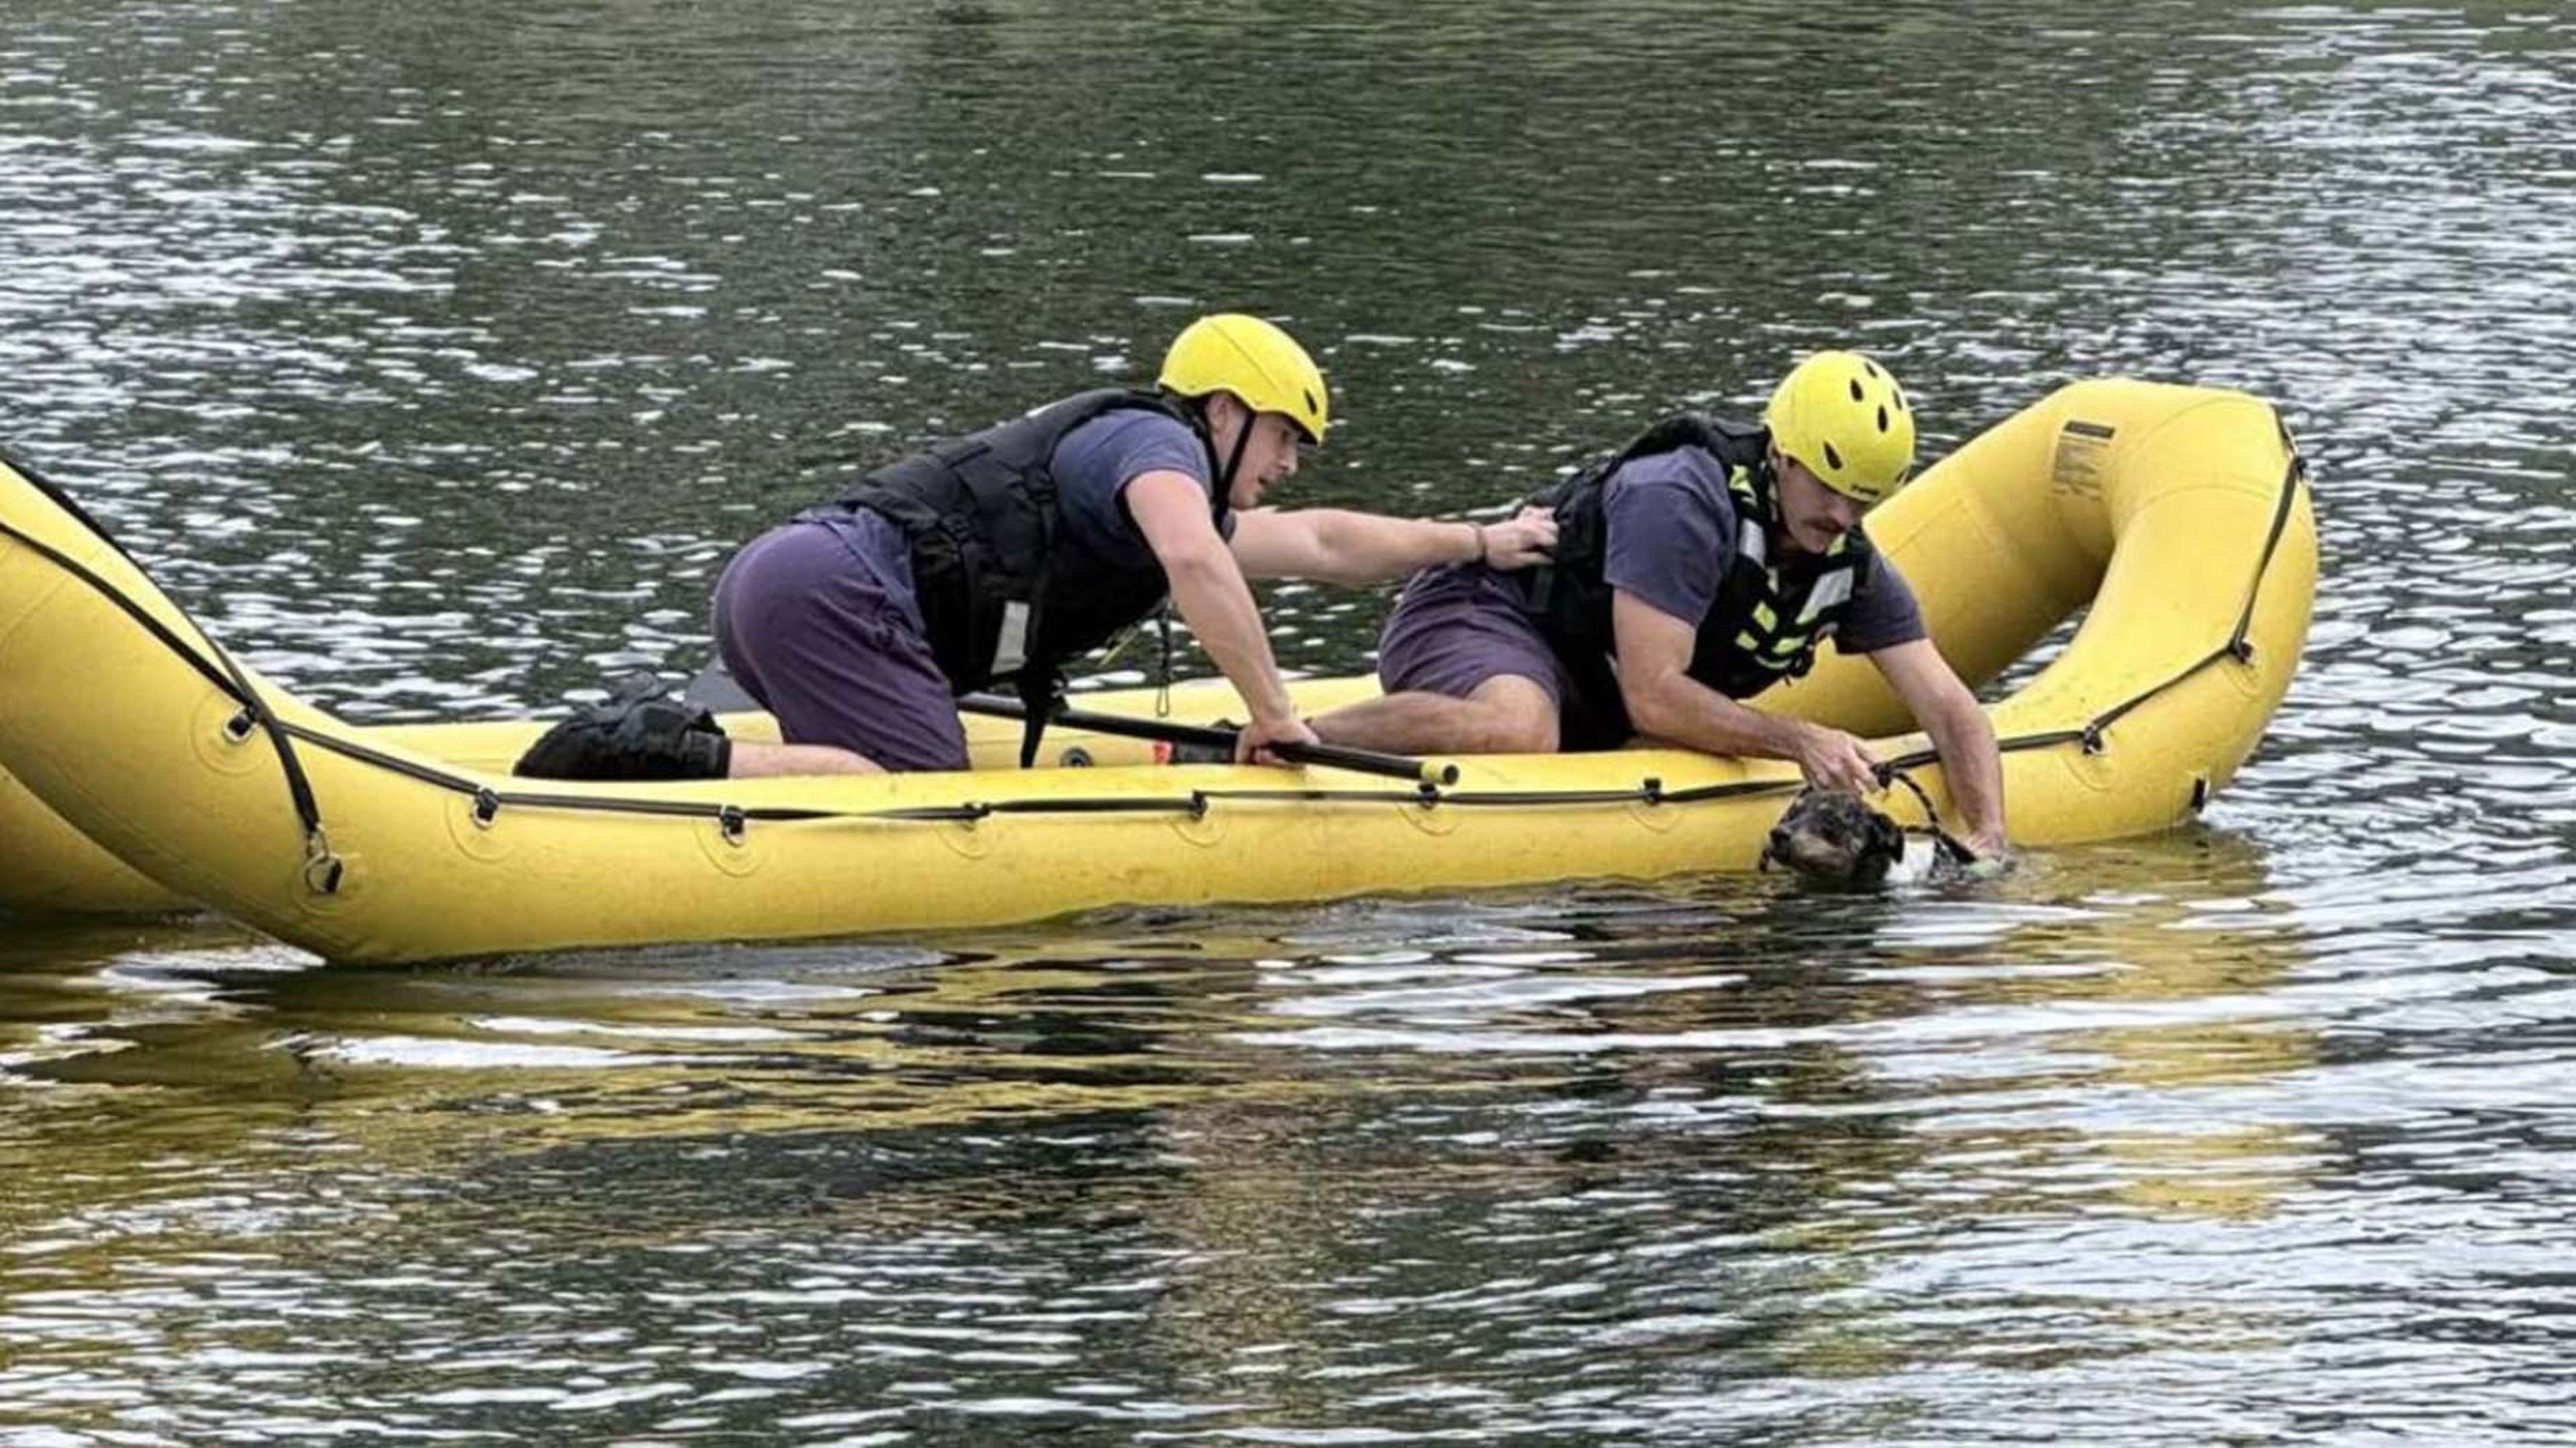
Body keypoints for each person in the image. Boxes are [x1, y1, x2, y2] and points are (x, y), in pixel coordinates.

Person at [515, 313, 1556, 781]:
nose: (1293, 464)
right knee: (918, 786)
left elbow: (1326, 542)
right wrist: (1280, 719)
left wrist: (1476, 540)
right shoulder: (1156, 445)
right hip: (829, 593)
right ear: (1229, 411)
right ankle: (671, 751)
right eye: (1288, 438)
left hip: (792, 583)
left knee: (899, 765)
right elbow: (1198, 565)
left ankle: (684, 752)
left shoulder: (1172, 486)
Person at [1309, 350, 2010, 860]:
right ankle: (1298, 737)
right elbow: (1655, 696)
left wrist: (1987, 837)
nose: (1841, 514)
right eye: (1828, 487)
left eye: (1863, 498)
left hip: (1588, 681)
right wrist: (1800, 739)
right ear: (1785, 456)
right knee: (1521, 729)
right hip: (1482, 609)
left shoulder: (1850, 562)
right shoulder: (1679, 500)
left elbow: (1951, 708)